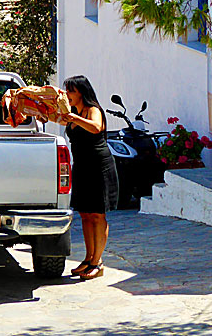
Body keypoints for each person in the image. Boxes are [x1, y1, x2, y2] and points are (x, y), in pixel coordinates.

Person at [62, 75, 118, 279]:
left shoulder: (93, 110)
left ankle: (98, 262)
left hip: (99, 167)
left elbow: (96, 127)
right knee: (85, 214)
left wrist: (74, 118)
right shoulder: (73, 112)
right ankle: (88, 258)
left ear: (81, 93)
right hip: (82, 167)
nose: (67, 95)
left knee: (97, 214)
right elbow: (57, 117)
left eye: (71, 91)